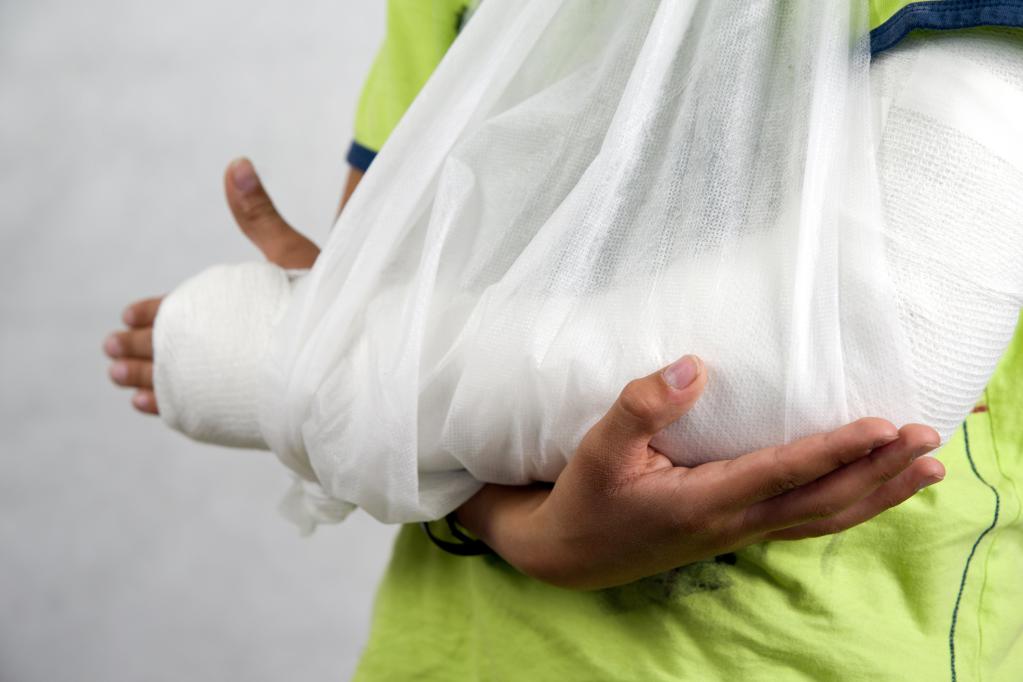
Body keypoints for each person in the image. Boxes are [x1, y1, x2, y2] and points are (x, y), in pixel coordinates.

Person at [104, 1, 1023, 678]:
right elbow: (387, 355)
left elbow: (887, 339)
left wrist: (290, 354)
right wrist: (522, 529)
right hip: (457, 647)